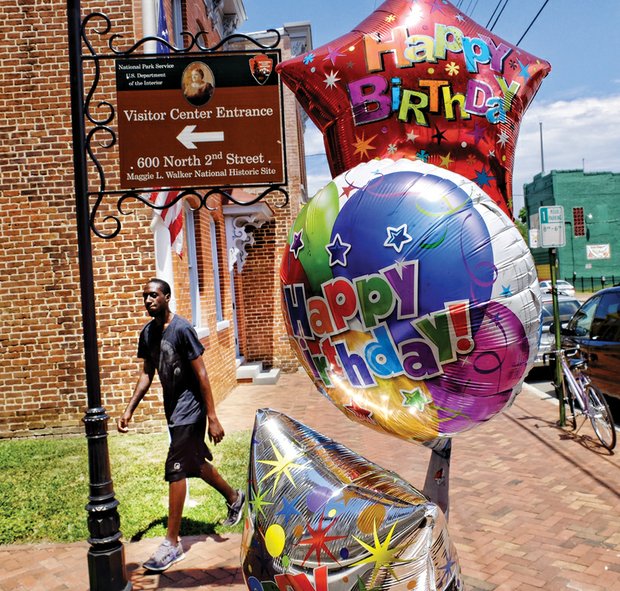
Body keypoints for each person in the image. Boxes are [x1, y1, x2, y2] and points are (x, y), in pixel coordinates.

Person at [117, 278, 245, 572]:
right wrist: (129, 410)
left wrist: (212, 417)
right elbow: (147, 374)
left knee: (175, 469)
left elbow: (202, 375)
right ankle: (235, 497)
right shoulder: (147, 333)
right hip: (173, 411)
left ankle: (172, 544)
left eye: (153, 295)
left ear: (167, 297)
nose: (148, 300)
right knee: (193, 463)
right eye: (145, 296)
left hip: (192, 410)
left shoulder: (183, 329)